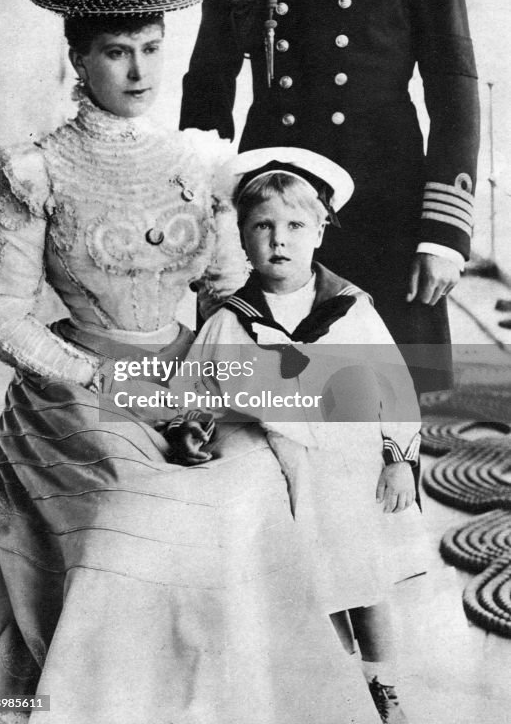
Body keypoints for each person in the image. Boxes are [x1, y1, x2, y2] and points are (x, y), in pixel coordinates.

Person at [0, 0, 380, 724]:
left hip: (192, 379)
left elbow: (229, 290)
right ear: (77, 58)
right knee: (137, 510)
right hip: (76, 396)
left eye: (153, 47)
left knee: (262, 475)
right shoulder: (35, 171)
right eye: (116, 51)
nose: (138, 67)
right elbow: (3, 316)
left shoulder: (197, 162)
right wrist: (99, 378)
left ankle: (233, 697)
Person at [179, 0, 480, 392]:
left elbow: (454, 93)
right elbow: (207, 85)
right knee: (268, 400)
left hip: (383, 200)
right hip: (274, 204)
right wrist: (205, 215)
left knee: (385, 405)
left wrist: (445, 233)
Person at [182, 147, 428, 724]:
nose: (279, 240)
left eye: (296, 225)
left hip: (350, 466)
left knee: (362, 580)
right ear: (242, 236)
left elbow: (393, 385)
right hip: (283, 469)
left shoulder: (349, 310)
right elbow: (195, 388)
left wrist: (398, 459)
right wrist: (194, 426)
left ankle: (383, 684)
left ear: (320, 231)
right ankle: (333, 683)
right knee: (309, 582)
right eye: (262, 226)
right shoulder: (229, 320)